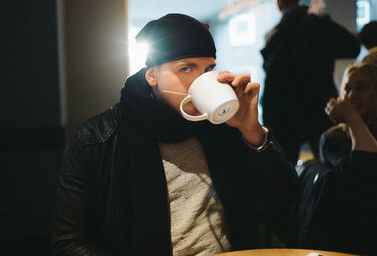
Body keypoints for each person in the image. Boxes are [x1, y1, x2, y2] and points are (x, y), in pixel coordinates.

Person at [50, 14, 298, 256]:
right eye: (186, 68)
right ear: (152, 75)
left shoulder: (221, 128)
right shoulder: (97, 139)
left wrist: (252, 131)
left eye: (208, 68)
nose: (199, 80)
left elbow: (283, 202)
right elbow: (68, 243)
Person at [261, 0, 360, 165]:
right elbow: (353, 47)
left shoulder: (274, 35)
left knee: (285, 171)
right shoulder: (320, 25)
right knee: (329, 163)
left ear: (279, 3)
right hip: (319, 106)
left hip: (284, 112)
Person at [295, 63, 377, 255]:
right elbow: (366, 173)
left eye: (362, 87)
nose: (352, 95)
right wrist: (351, 118)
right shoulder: (334, 138)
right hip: (357, 235)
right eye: (347, 88)